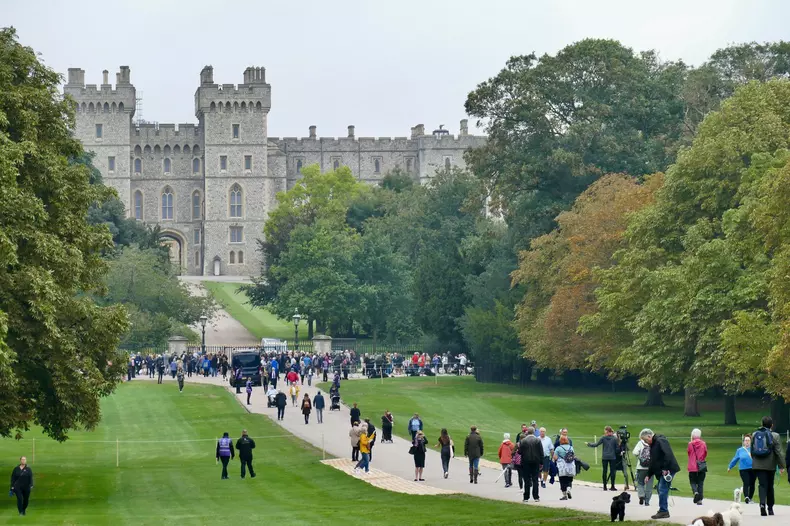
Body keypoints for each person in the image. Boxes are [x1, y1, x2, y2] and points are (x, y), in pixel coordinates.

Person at [751, 415, 786, 517]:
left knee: (762, 485)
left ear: (762, 424)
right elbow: (779, 452)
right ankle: (770, 508)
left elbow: (752, 450)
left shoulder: (754, 434)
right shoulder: (775, 436)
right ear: (772, 425)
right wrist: (781, 466)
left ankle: (762, 504)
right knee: (770, 486)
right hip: (770, 465)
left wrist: (754, 460)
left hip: (757, 464)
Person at [643, 428, 680, 520]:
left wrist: (665, 468)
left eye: (645, 440)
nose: (646, 442)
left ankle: (664, 511)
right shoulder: (653, 445)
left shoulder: (661, 441)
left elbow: (668, 454)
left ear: (649, 436)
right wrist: (649, 474)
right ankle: (663, 509)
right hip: (662, 470)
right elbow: (653, 462)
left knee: (662, 488)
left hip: (668, 469)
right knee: (661, 489)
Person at [586, 426, 621, 491]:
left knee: (604, 471)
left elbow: (596, 444)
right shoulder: (615, 439)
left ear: (606, 431)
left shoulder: (603, 438)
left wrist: (589, 444)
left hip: (605, 457)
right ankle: (612, 486)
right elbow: (617, 449)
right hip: (612, 457)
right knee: (612, 471)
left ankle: (604, 486)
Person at [519, 426, 543, 502]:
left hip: (526, 462)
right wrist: (541, 462)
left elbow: (520, 452)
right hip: (535, 461)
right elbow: (541, 452)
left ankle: (526, 497)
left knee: (527, 480)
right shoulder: (537, 440)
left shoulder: (523, 441)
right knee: (535, 479)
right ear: (533, 432)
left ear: (527, 432)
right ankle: (536, 496)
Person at [728, 434, 755, 504]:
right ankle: (746, 497)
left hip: (753, 468)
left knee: (752, 483)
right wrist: (730, 466)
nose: (747, 442)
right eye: (746, 440)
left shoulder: (754, 449)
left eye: (748, 440)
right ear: (743, 442)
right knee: (746, 482)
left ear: (750, 441)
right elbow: (735, 459)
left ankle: (750, 497)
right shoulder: (740, 450)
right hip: (743, 469)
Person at [633, 428, 654, 506]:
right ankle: (647, 501)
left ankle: (641, 495)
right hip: (651, 468)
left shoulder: (640, 443)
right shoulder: (653, 443)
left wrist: (640, 457)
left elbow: (635, 452)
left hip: (641, 467)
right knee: (649, 484)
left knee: (640, 482)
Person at [687, 428, 708, 505]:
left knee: (692, 481)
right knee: (700, 482)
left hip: (692, 466)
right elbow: (705, 453)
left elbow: (689, 453)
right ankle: (700, 499)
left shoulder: (690, 444)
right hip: (701, 466)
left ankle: (695, 492)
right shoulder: (703, 444)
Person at [554, 436, 575, 500]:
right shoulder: (571, 448)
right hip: (570, 465)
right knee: (569, 479)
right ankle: (569, 489)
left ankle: (564, 495)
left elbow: (555, 457)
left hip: (562, 466)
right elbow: (573, 455)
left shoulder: (558, 448)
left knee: (562, 480)